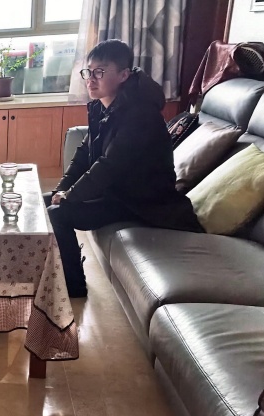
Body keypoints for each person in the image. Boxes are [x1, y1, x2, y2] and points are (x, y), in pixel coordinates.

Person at [44, 39, 203, 298]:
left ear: (123, 75)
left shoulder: (140, 115)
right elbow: (84, 154)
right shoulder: (103, 106)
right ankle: (48, 268)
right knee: (45, 201)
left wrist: (70, 196)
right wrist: (61, 189)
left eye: (100, 72)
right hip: (118, 193)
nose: (90, 79)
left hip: (143, 203)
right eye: (88, 71)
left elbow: (109, 166)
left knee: (59, 213)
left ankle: (74, 285)